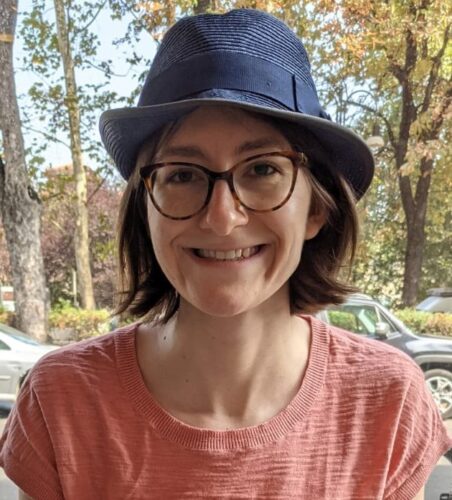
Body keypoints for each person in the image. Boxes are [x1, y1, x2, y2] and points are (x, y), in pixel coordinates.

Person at [1, 9, 451, 500]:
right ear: (145, 210)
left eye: (262, 169)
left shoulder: (387, 403)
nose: (222, 217)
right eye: (183, 174)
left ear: (316, 208)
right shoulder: (62, 402)